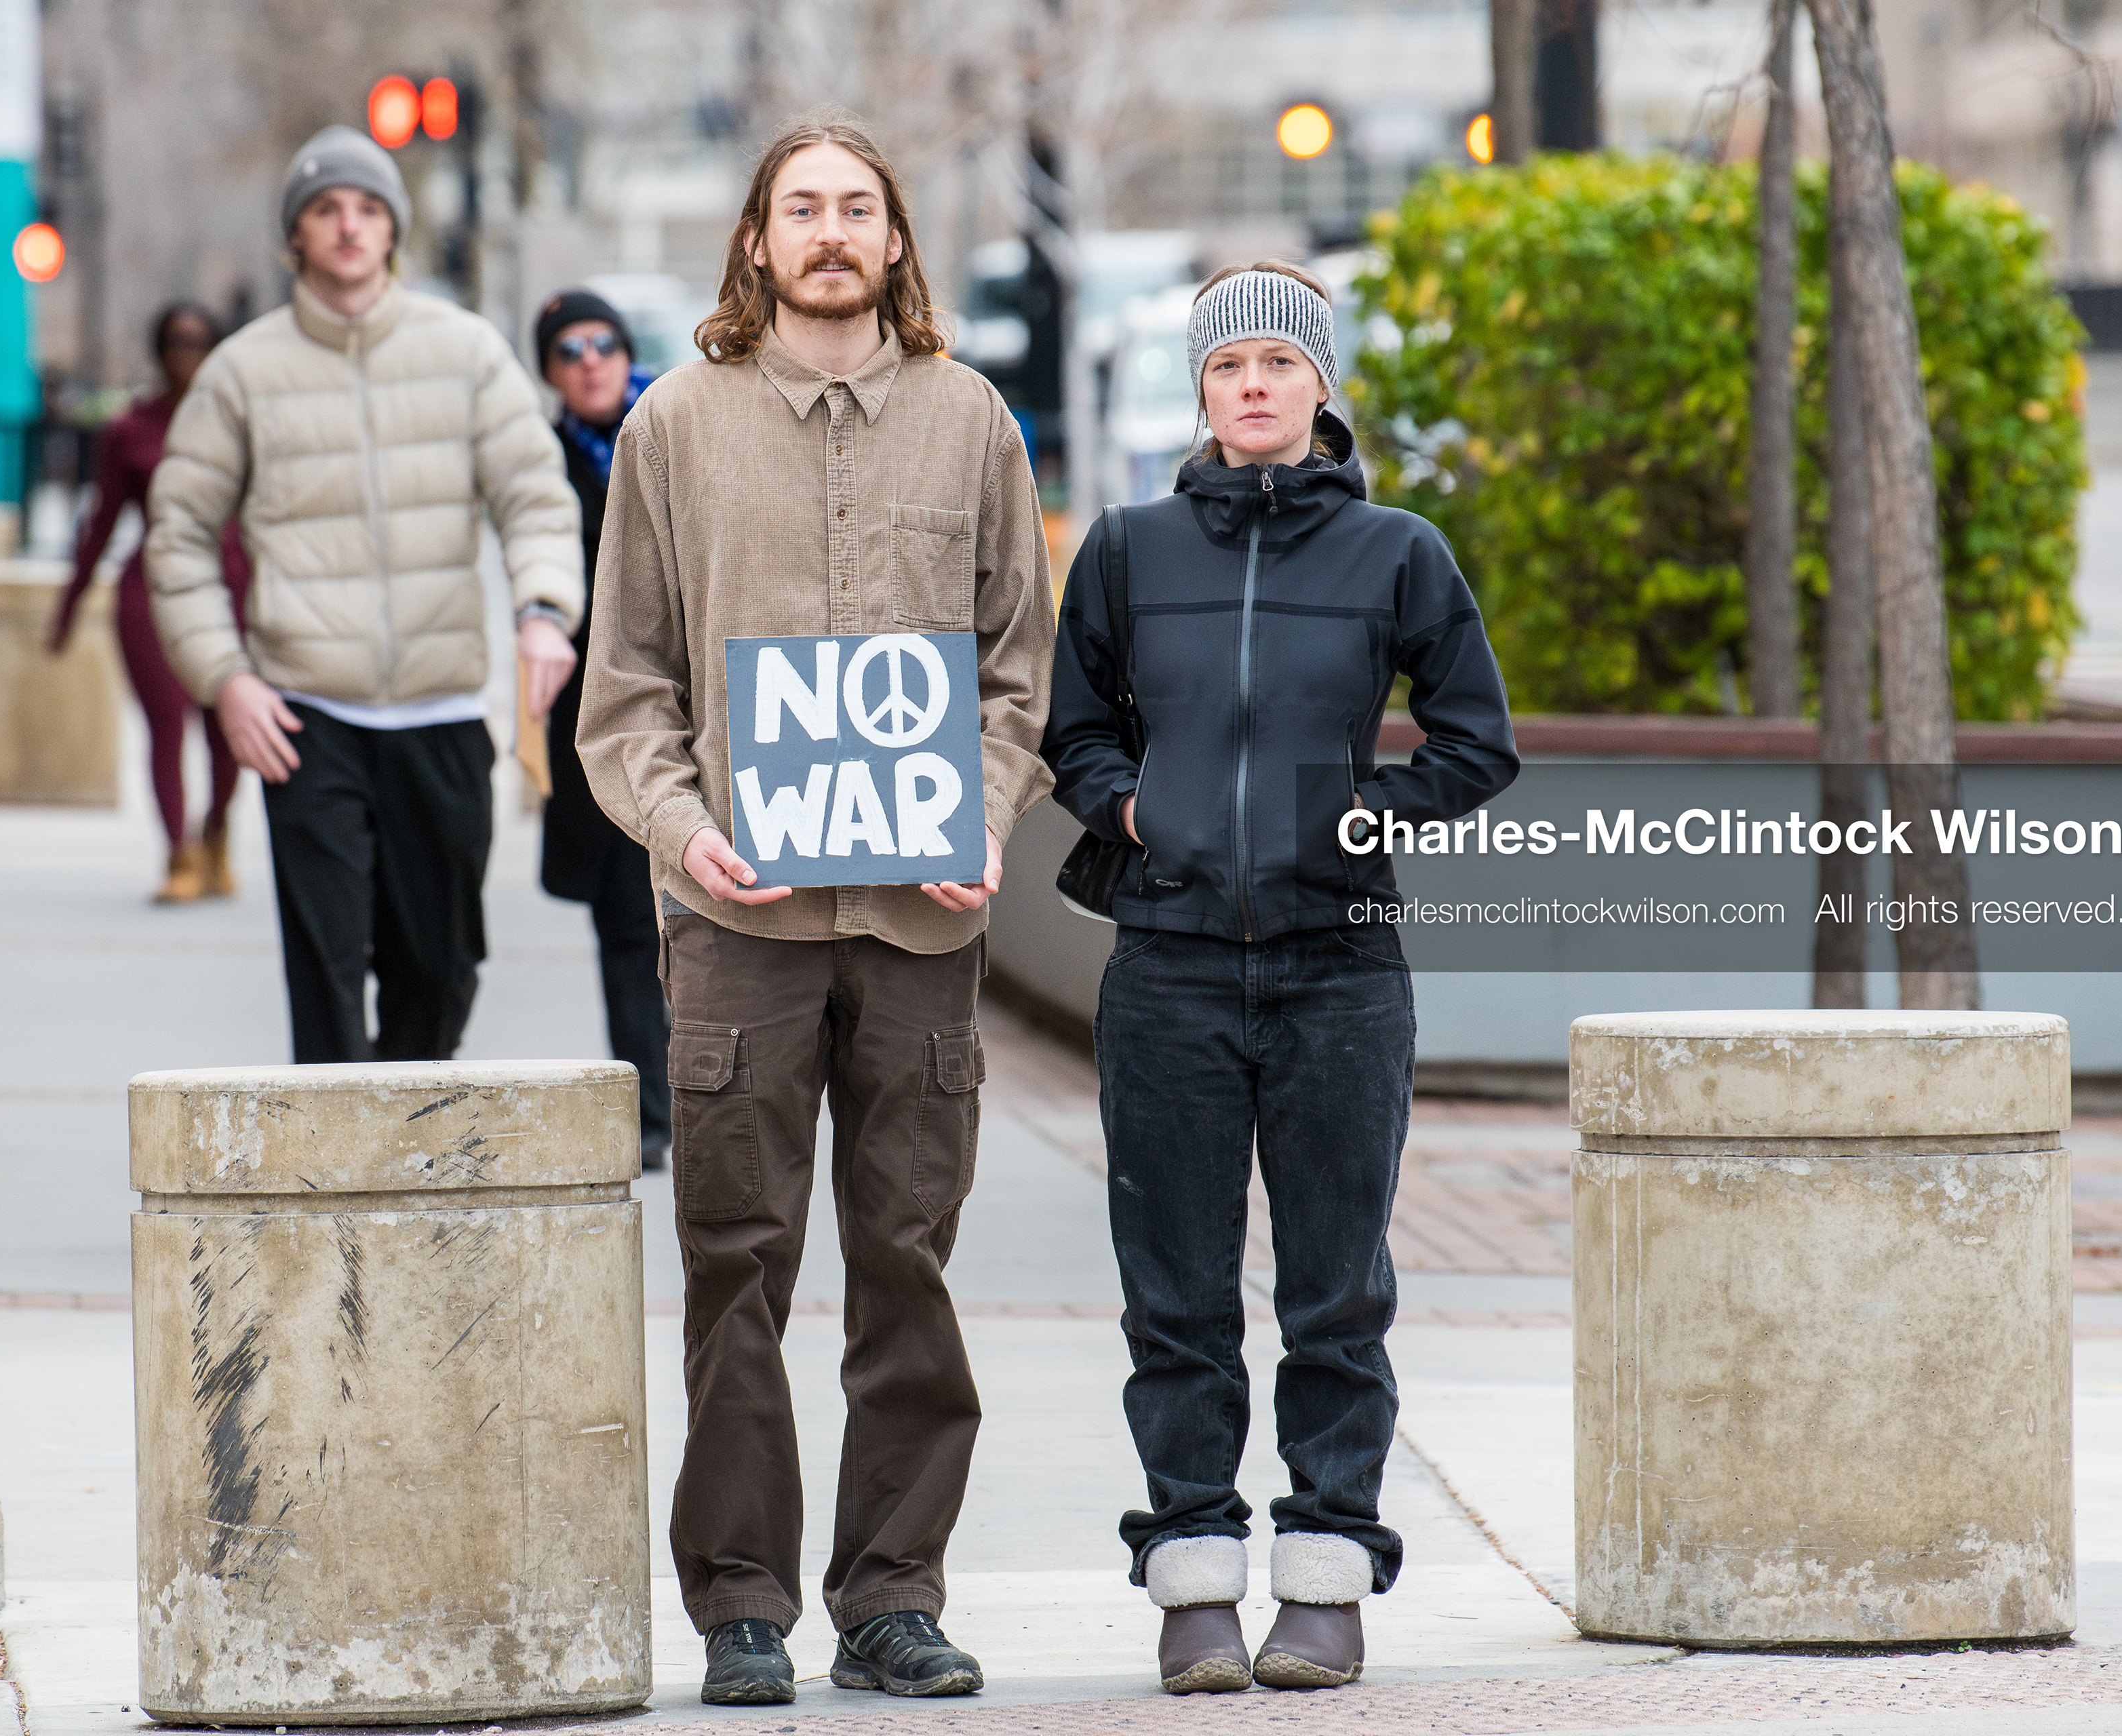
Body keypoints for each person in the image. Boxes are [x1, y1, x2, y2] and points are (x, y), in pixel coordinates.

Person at [576, 113, 1054, 1706]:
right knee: (737, 1262)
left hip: (920, 922)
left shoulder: (972, 423)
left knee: (905, 1258)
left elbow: (1012, 679)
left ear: (897, 241)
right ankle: (739, 1606)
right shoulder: (673, 428)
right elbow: (623, 694)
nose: (832, 232)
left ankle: (893, 1593)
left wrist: (980, 819)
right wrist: (686, 831)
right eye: (804, 209)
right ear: (756, 243)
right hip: (740, 927)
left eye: (858, 208)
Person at [1040, 262, 1518, 1696]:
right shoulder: (1125, 550)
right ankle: (1191, 1574)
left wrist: (1361, 810)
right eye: (1228, 364)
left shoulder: (1398, 553)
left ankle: (1324, 1575)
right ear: (1200, 389)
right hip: (1171, 970)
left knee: (1335, 1291)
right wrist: (1134, 808)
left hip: (1340, 971)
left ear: (1322, 386)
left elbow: (1476, 741)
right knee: (1174, 1294)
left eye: (1279, 363)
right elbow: (1075, 736)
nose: (1254, 385)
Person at [144, 125, 584, 1063]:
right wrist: (226, 679)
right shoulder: (242, 374)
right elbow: (177, 533)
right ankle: (333, 1197)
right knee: (328, 973)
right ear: (295, 237)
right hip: (306, 716)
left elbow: (536, 497)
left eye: (368, 209)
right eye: (325, 210)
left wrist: (546, 612)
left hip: (443, 708)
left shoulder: (466, 353)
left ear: (395, 231)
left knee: (442, 969)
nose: (348, 227)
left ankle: (401, 1151)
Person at [532, 288, 672, 1171]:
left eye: (604, 342)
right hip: (600, 724)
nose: (590, 359)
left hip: (698, 711)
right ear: (550, 370)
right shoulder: (541, 466)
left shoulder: (674, 434)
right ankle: (656, 1114)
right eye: (568, 349)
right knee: (626, 921)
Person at [50, 304, 252, 903]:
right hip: (151, 591)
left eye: (198, 340)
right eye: (175, 341)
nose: (186, 352)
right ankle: (178, 854)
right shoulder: (128, 429)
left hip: (230, 585)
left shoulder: (240, 423)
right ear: (158, 350)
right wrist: (70, 607)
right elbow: (102, 520)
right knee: (165, 725)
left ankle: (215, 833)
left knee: (227, 728)